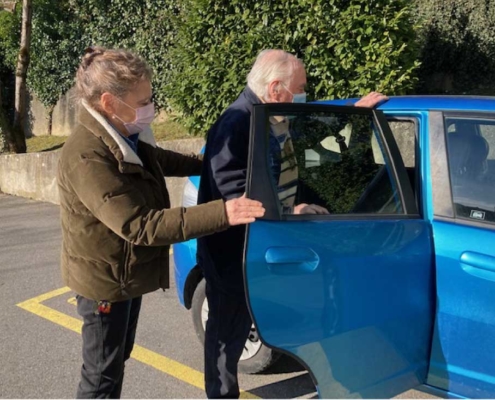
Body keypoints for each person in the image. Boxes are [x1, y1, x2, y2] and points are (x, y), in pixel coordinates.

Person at [57, 46, 265, 399]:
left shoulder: (122, 132)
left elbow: (159, 160)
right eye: (143, 101)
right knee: (101, 374)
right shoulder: (87, 154)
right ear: (109, 102)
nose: (150, 108)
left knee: (116, 358)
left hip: (123, 274)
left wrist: (212, 161)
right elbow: (140, 225)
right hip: (104, 284)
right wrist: (224, 212)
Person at [197, 49, 388, 399]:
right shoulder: (237, 123)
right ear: (275, 88)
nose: (305, 94)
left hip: (266, 244)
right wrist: (289, 210)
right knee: (227, 336)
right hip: (235, 255)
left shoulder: (273, 115)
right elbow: (233, 193)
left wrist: (353, 115)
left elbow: (310, 137)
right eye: (300, 88)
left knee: (273, 321)